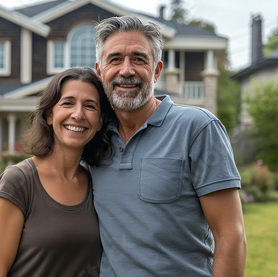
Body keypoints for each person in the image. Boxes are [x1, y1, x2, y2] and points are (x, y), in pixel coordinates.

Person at [89, 15, 247, 276]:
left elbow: (231, 234)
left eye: (139, 59)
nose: (126, 70)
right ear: (99, 71)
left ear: (157, 70)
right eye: (115, 59)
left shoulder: (197, 128)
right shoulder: (94, 138)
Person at [0, 67, 112, 277]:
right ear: (50, 115)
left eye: (89, 106)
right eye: (68, 103)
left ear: (99, 122)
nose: (78, 114)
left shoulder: (96, 182)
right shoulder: (19, 181)